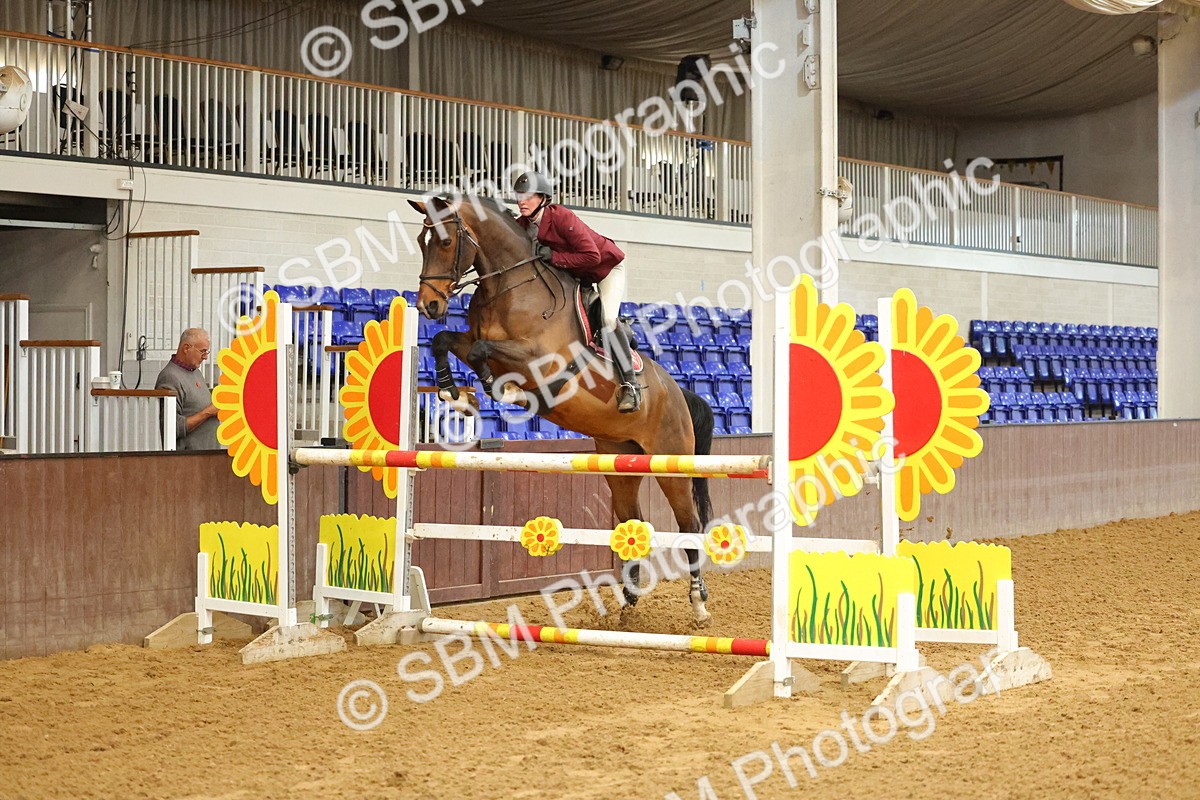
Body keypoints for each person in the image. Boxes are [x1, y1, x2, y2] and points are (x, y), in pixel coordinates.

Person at [512, 171, 641, 413]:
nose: (522, 201)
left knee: (607, 319)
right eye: (519, 195)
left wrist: (554, 257)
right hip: (577, 276)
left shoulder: (560, 216)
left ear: (543, 198)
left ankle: (630, 386)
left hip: (605, 269)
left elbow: (592, 256)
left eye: (528, 196)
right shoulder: (523, 225)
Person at [156, 328, 221, 450]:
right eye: (203, 351)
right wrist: (207, 413)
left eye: (207, 352)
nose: (205, 357)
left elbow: (195, 401)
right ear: (186, 348)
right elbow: (172, 426)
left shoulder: (194, 371)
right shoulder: (170, 377)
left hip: (207, 455)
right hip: (189, 459)